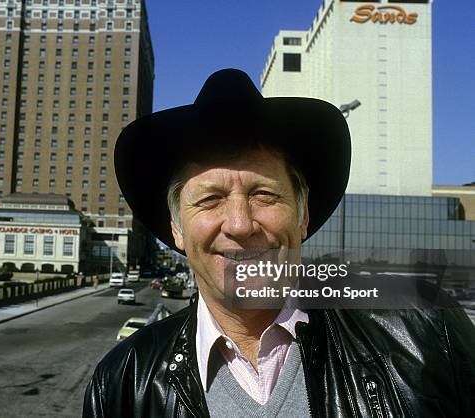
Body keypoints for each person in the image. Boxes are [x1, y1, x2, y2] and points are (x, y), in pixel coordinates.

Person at [83, 69, 475, 417]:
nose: (239, 225)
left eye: (264, 195)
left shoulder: (425, 330)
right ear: (178, 230)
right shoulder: (122, 386)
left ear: (302, 216)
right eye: (210, 199)